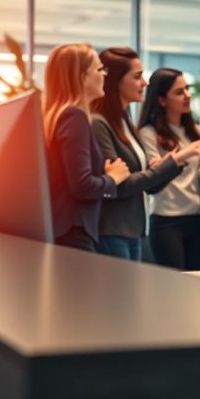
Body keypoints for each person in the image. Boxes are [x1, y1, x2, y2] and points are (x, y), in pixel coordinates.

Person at [91, 47, 200, 261]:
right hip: (113, 231)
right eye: (137, 77)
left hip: (133, 231)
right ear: (115, 81)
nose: (145, 83)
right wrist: (176, 159)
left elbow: (150, 185)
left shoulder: (125, 123)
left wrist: (170, 164)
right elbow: (120, 186)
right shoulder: (99, 123)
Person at [43, 43, 130, 252]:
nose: (104, 76)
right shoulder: (74, 116)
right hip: (74, 232)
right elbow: (81, 186)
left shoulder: (55, 116)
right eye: (100, 70)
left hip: (64, 231)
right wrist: (113, 179)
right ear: (82, 77)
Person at [138, 68, 200, 270]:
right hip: (166, 221)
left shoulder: (195, 131)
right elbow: (153, 175)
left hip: (196, 218)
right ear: (162, 100)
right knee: (173, 286)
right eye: (179, 92)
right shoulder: (149, 133)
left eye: (187, 89)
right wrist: (182, 155)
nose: (187, 96)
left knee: (194, 282)